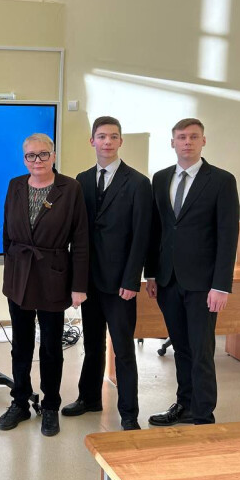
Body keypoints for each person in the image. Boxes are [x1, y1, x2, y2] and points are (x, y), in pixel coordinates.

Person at [145, 118, 239, 426]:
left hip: (203, 283)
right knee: (181, 348)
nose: (187, 142)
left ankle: (203, 413)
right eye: (182, 137)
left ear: (203, 141)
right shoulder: (160, 178)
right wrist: (151, 274)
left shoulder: (221, 180)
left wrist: (221, 285)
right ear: (172, 142)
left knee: (201, 350)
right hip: (168, 279)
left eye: (193, 137)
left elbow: (228, 235)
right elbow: (156, 229)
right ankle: (184, 404)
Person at [64, 116, 152, 430]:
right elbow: (78, 234)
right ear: (92, 141)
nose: (107, 142)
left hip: (120, 284)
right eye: (102, 136)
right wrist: (76, 280)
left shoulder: (138, 183)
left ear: (120, 142)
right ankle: (89, 398)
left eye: (113, 136)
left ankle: (129, 413)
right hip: (90, 280)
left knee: (123, 349)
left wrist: (132, 280)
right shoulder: (82, 180)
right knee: (92, 344)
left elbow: (142, 235)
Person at [0, 133, 89, 437]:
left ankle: (50, 406)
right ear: (24, 159)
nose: (37, 161)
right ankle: (20, 402)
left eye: (43, 154)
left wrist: (78, 285)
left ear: (53, 155)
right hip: (19, 277)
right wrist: (11, 270)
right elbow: (7, 233)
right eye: (30, 155)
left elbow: (80, 241)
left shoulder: (70, 188)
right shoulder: (15, 185)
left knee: (51, 346)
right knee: (21, 345)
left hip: (53, 276)